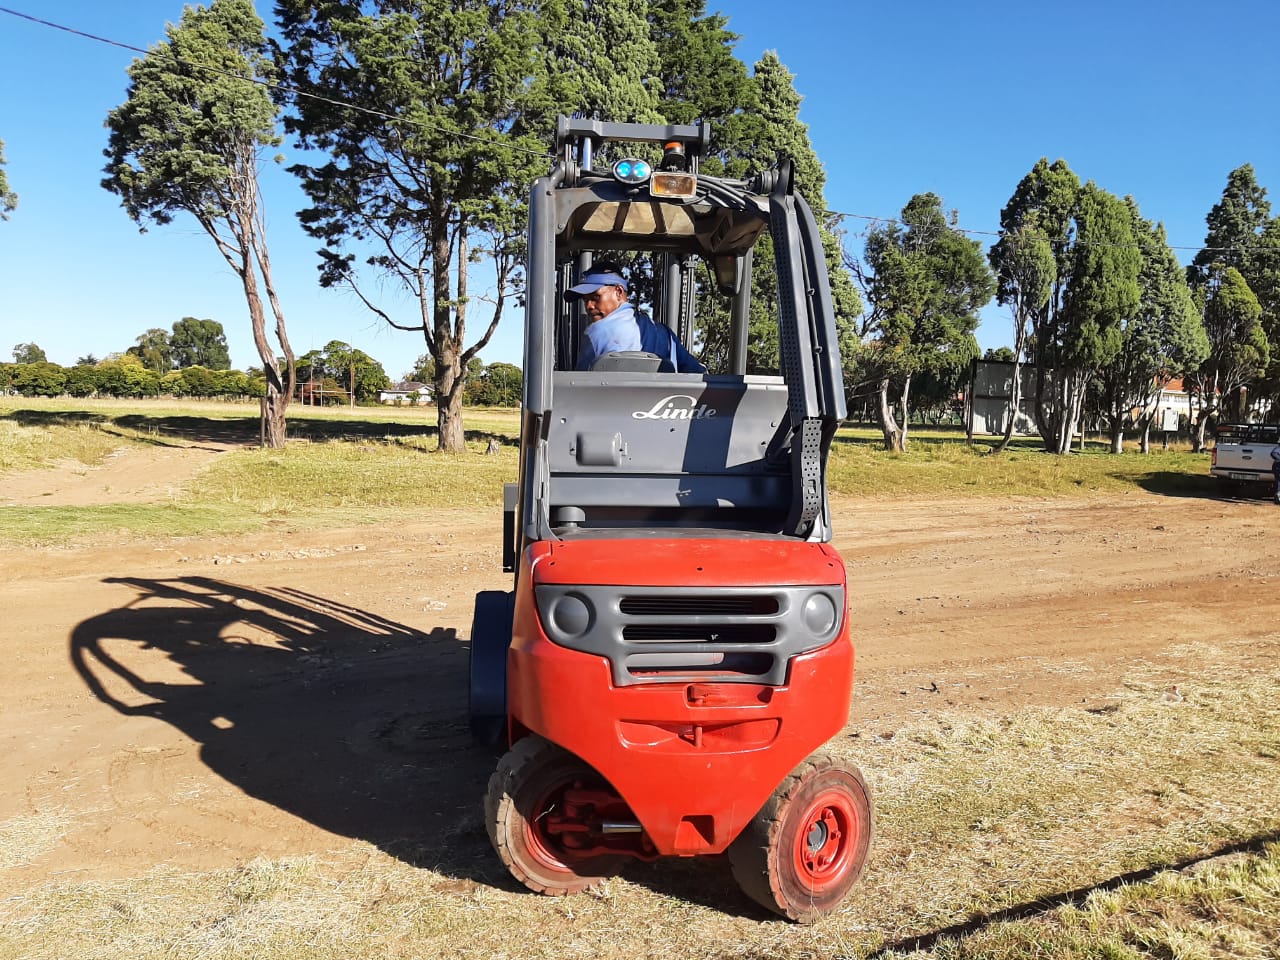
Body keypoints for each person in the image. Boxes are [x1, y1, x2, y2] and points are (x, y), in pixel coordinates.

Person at [565, 262, 706, 374]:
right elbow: (698, 373)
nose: (589, 306)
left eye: (596, 297)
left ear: (619, 292)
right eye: (585, 300)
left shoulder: (595, 333)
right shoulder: (666, 335)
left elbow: (578, 386)